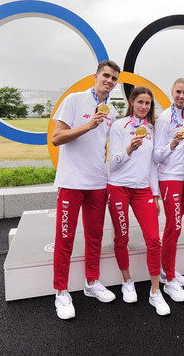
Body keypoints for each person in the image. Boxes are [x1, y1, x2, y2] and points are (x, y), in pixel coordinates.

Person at [50, 60, 120, 320]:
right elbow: (57, 138)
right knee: (65, 239)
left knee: (95, 237)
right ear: (96, 76)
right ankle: (61, 292)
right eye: (106, 75)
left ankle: (91, 283)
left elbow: (101, 145)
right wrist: (87, 125)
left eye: (114, 78)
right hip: (71, 182)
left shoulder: (111, 109)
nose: (109, 81)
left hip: (97, 183)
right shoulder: (74, 100)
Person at [107, 86, 170, 316]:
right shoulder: (118, 126)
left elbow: (154, 165)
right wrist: (129, 149)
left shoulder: (152, 130)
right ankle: (127, 281)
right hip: (118, 188)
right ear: (132, 101)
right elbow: (113, 163)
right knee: (121, 236)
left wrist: (155, 195)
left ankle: (155, 292)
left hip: (143, 190)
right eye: (141, 102)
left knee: (154, 239)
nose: (144, 107)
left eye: (148, 103)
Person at [153, 78, 184, 302]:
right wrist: (173, 144)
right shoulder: (164, 118)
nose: (182, 96)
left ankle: (167, 269)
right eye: (178, 92)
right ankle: (168, 280)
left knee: (176, 228)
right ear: (171, 92)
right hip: (169, 178)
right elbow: (156, 155)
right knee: (173, 227)